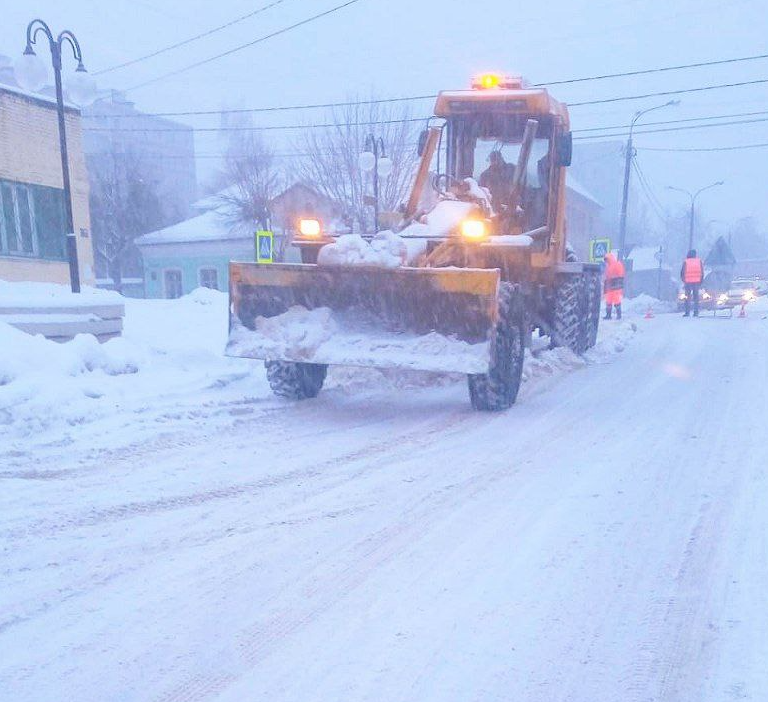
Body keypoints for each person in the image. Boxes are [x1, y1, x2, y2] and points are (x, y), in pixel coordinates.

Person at [680, 249, 704, 317]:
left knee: (687, 297)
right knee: (696, 298)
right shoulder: (699, 261)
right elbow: (702, 272)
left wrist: (683, 280)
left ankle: (687, 312)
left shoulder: (686, 261)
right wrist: (701, 280)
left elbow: (682, 272)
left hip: (688, 282)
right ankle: (696, 312)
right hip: (697, 282)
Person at [603, 252, 625, 320]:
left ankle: (619, 315)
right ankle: (608, 315)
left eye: (607, 259)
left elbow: (621, 274)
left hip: (616, 286)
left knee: (616, 300)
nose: (606, 261)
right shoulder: (607, 266)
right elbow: (606, 275)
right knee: (608, 301)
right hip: (609, 286)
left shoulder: (617, 264)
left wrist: (614, 278)